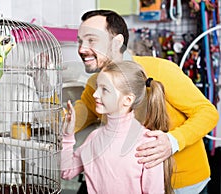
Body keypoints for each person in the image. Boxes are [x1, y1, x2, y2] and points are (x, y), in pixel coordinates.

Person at [73, 9, 219, 193]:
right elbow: (74, 119)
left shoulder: (161, 69)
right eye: (80, 41)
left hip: (182, 185)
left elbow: (207, 113)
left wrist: (172, 141)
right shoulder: (94, 85)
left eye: (91, 40)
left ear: (117, 42)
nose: (81, 49)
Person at [61, 60, 173, 194]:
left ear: (127, 100)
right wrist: (67, 135)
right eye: (97, 87)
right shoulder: (94, 138)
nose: (95, 94)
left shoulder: (148, 145)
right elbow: (66, 172)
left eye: (105, 89)